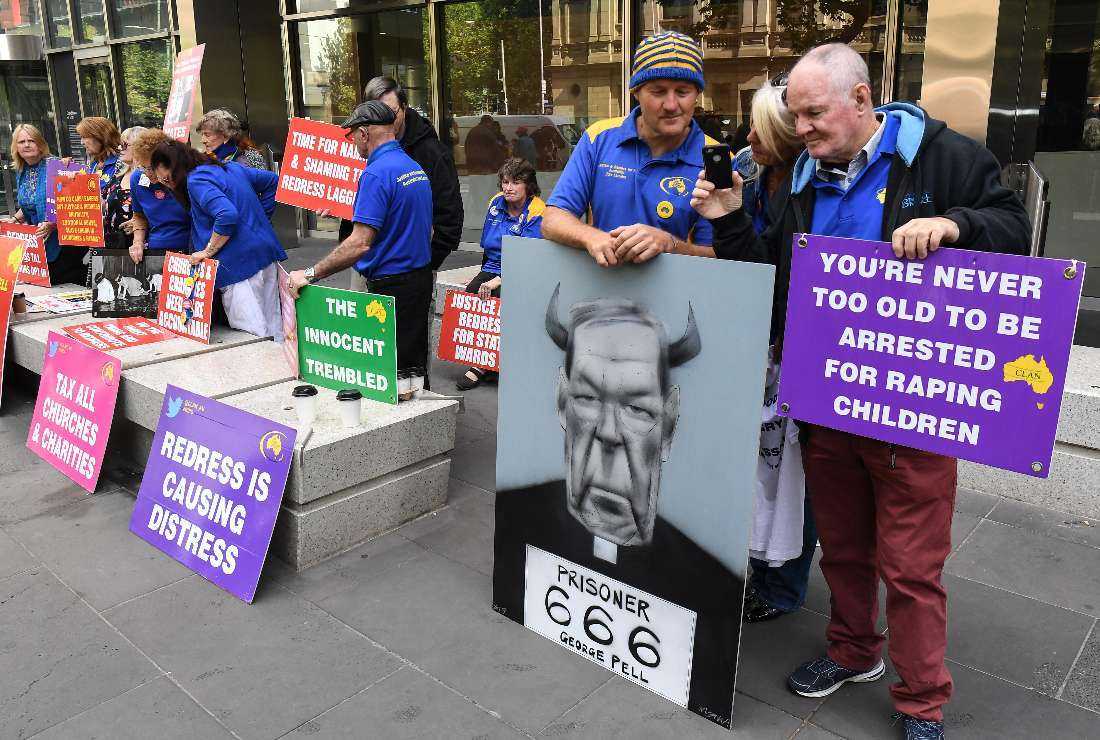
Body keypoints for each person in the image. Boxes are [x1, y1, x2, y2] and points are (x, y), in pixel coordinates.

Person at [690, 43, 1030, 740]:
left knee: (910, 567)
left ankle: (922, 700)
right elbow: (776, 284)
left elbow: (1017, 232)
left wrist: (956, 225)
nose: (802, 130)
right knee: (843, 547)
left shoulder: (943, 157)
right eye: (795, 116)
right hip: (828, 402)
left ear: (863, 101)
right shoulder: (806, 179)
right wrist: (728, 217)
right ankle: (853, 652)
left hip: (913, 407)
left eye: (814, 114)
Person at [493, 286, 745, 721]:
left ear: (669, 425)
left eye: (637, 409)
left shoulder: (714, 586)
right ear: (561, 401)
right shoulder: (514, 521)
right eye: (587, 399)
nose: (609, 434)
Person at [731, 80, 819, 625]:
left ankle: (783, 583)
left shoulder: (807, 190)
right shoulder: (754, 178)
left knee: (792, 471)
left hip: (794, 344)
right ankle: (761, 567)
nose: (747, 137)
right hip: (758, 339)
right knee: (762, 465)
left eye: (759, 129)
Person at [542, 31, 719, 266]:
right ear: (636, 92)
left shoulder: (716, 158)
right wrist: (590, 236)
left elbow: (719, 259)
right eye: (658, 91)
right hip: (603, 286)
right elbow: (553, 219)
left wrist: (670, 244)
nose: (671, 105)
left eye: (683, 92)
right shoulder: (599, 138)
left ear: (697, 94)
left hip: (676, 298)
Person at [286, 101, 434, 376]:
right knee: (413, 367)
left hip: (393, 286)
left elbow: (360, 243)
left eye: (351, 134)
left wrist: (309, 273)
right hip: (418, 279)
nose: (352, 141)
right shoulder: (411, 166)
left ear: (364, 133)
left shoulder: (376, 173)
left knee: (392, 373)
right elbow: (415, 224)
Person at [150, 141, 286, 340]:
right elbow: (273, 181)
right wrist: (257, 220)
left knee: (251, 335)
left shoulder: (196, 180)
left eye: (168, 178)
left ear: (176, 167)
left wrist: (208, 251)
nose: (168, 184)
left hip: (238, 266)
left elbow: (226, 214)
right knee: (274, 327)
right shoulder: (228, 168)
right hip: (262, 255)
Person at [338, 76, 463, 275]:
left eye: (391, 112)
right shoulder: (361, 147)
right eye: (376, 113)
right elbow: (361, 204)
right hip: (365, 261)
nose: (384, 120)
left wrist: (427, 263)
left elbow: (449, 216)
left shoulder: (432, 154)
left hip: (412, 268)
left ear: (404, 108)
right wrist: (338, 206)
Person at [456, 157, 545, 391]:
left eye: (516, 182)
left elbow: (530, 257)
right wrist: (481, 274)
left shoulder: (537, 210)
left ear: (528, 185)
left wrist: (498, 280)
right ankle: (481, 361)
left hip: (526, 269)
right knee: (473, 293)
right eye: (505, 182)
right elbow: (488, 248)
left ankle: (496, 363)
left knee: (502, 294)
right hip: (494, 266)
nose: (508, 187)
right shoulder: (495, 203)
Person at [2, 124, 86, 285]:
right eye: (21, 142)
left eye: (31, 140)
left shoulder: (58, 166)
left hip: (64, 242)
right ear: (16, 147)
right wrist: (15, 220)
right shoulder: (22, 171)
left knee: (60, 282)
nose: (26, 145)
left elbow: (76, 205)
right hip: (40, 241)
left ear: (40, 144)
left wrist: (52, 224)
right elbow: (29, 203)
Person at [126, 128, 191, 263]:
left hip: (191, 250)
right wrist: (138, 242)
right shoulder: (138, 178)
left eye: (151, 168)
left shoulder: (186, 177)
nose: (147, 173)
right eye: (142, 167)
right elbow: (138, 216)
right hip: (157, 251)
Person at [102, 126, 145, 250]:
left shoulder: (149, 176)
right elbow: (104, 204)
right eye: (120, 144)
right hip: (114, 244)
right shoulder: (118, 176)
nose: (120, 148)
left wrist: (142, 223)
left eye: (125, 145)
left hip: (138, 245)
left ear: (139, 146)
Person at [196, 108, 268, 169]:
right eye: (202, 135)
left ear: (226, 135)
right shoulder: (202, 161)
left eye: (207, 135)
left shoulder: (248, 159)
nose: (203, 140)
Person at [77, 117, 123, 196]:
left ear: (100, 137)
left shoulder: (122, 163)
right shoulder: (93, 164)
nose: (82, 142)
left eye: (84, 137)